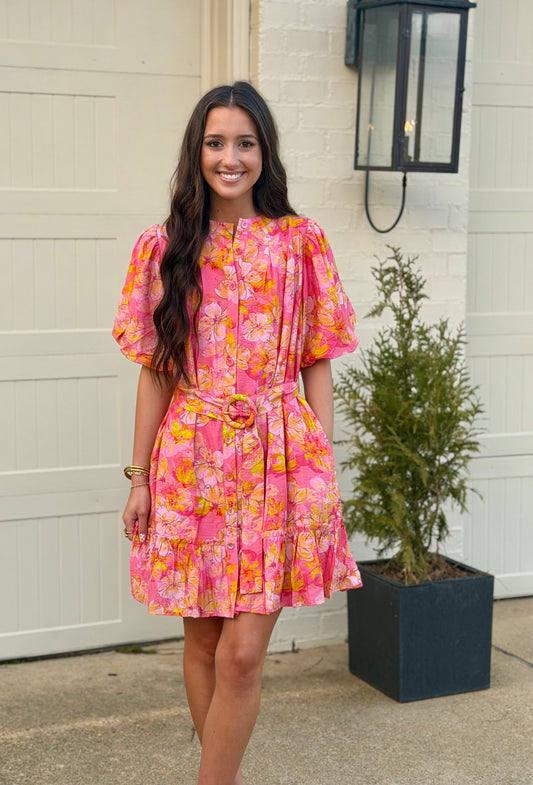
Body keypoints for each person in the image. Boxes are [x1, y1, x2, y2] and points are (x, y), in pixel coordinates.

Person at [112, 80, 362, 785]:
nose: (231, 157)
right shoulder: (164, 246)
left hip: (280, 457)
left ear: (264, 152)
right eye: (216, 142)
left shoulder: (299, 242)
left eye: (245, 143)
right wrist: (138, 477)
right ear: (197, 153)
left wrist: (320, 463)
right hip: (191, 460)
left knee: (242, 654)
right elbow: (156, 371)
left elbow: (317, 356)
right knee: (201, 643)